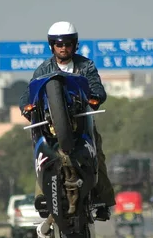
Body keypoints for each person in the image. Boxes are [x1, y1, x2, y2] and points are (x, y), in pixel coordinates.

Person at [19, 21, 115, 221]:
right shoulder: (42, 70)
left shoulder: (86, 65)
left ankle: (103, 201)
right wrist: (26, 106)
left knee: (97, 153)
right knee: (42, 156)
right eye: (59, 44)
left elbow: (97, 88)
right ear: (52, 45)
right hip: (50, 126)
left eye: (68, 44)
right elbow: (28, 94)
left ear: (75, 44)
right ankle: (42, 197)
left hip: (81, 121)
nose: (63, 48)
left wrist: (95, 97)